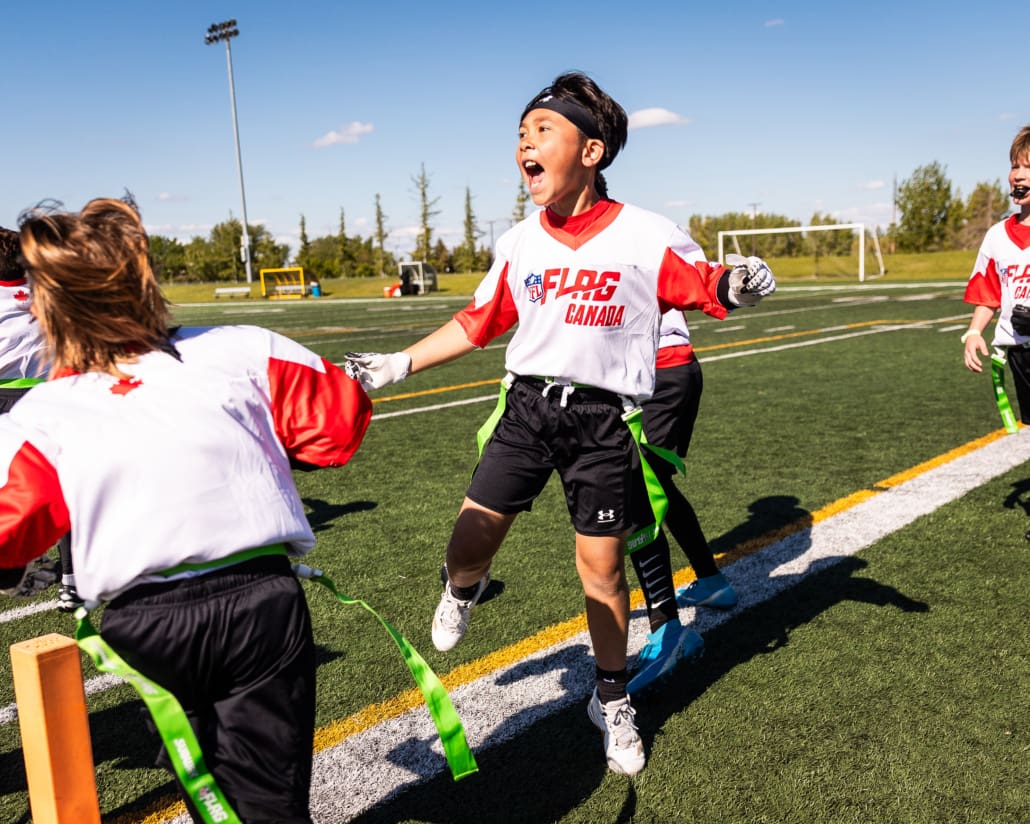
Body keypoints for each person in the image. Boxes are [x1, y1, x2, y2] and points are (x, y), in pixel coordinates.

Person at [346, 71, 774, 776]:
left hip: (604, 422)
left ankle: (612, 702)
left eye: (542, 131)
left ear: (593, 151)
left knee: (602, 571)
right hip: (528, 411)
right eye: (520, 135)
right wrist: (399, 364)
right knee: (466, 546)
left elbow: (704, 285)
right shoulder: (520, 242)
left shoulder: (644, 232)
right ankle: (462, 588)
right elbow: (480, 321)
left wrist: (743, 282)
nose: (525, 145)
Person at [0, 196, 373, 823]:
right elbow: (338, 428)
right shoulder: (241, 347)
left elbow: (10, 531)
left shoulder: (41, 414)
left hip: (146, 623)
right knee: (267, 804)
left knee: (214, 801)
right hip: (260, 604)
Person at [624, 309, 739, 695]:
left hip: (656, 370)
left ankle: (667, 632)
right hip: (664, 367)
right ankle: (710, 580)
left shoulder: (640, 244)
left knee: (638, 492)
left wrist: (732, 287)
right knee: (656, 486)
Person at [0, 226, 67, 602]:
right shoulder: (47, 292)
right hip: (49, 396)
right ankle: (73, 574)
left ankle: (14, 559)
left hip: (5, 397)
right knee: (64, 482)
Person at [963, 125, 1030, 430]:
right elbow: (988, 294)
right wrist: (974, 332)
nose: (1018, 175)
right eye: (1015, 165)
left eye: (1028, 167)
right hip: (1018, 351)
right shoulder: (997, 237)